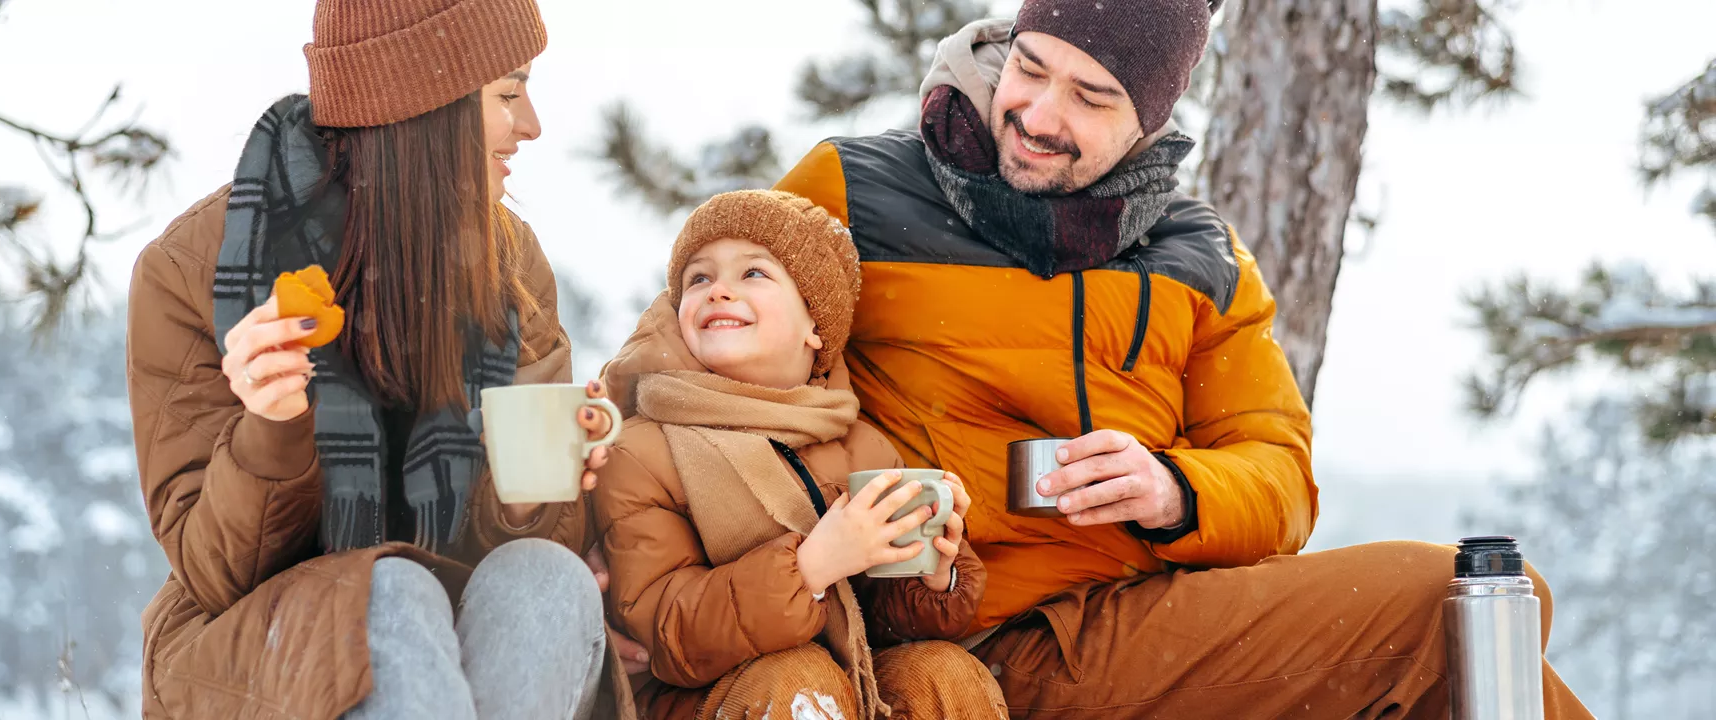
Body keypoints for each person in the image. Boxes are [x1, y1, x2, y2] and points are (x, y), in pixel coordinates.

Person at [611, 1, 1596, 717]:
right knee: (1455, 617)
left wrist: (1170, 489)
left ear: (1149, 123)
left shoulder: (1198, 257)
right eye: (1029, 69)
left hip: (1143, 621)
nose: (1039, 114)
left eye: (1090, 97)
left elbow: (1279, 476)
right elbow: (681, 341)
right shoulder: (854, 190)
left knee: (1475, 602)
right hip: (953, 630)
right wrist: (596, 517)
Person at [127, 0, 634, 717]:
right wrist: (272, 425)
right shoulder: (193, 269)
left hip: (457, 634)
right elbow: (216, 573)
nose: (531, 125)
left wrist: (529, 500)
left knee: (546, 578)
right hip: (258, 650)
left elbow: (528, 543)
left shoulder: (508, 260)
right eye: (508, 95)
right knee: (386, 590)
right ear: (422, 103)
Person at [594, 190, 1007, 719]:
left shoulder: (861, 443)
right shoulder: (642, 450)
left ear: (816, 325)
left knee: (943, 673)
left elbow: (880, 621)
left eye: (753, 274)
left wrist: (933, 576)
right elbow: (665, 630)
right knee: (799, 677)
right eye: (698, 278)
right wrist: (810, 567)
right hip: (708, 698)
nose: (718, 290)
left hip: (851, 675)